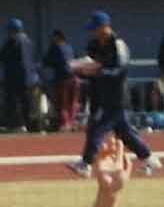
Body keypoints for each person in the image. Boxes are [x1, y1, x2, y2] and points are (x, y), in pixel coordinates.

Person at [68, 10, 158, 178]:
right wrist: (80, 70)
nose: (94, 32)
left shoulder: (118, 45)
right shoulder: (94, 44)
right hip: (99, 94)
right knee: (124, 131)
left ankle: (86, 163)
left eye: (96, 28)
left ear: (105, 27)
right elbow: (89, 64)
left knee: (96, 127)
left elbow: (121, 70)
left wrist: (99, 72)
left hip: (116, 96)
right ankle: (148, 157)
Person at [0, 17, 35, 132]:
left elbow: (1, 56)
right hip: (28, 78)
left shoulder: (13, 42)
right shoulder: (28, 41)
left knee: (14, 102)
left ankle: (18, 125)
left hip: (14, 78)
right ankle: (27, 125)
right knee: (26, 102)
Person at [40, 28, 78, 132]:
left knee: (62, 103)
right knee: (72, 102)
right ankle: (72, 122)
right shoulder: (69, 47)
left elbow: (46, 61)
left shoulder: (55, 48)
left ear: (57, 37)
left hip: (62, 79)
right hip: (74, 77)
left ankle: (64, 124)